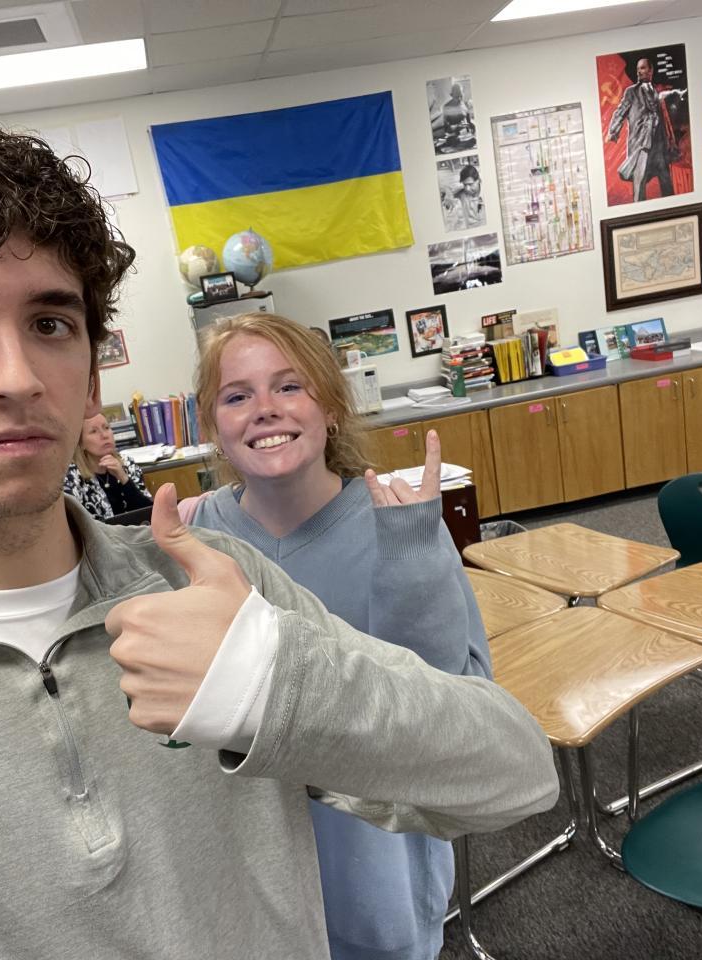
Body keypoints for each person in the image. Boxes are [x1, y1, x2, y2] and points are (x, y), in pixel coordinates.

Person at [0, 118, 559, 959]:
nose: (17, 378)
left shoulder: (215, 585)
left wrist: (275, 686)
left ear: (89, 378)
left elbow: (513, 775)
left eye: (50, 324)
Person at [183, 313, 488, 960]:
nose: (264, 409)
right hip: (250, 886)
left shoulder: (399, 526)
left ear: (331, 408)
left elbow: (459, 710)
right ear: (212, 426)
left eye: (289, 386)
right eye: (237, 396)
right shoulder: (196, 539)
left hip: (376, 878)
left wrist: (413, 562)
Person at [606, 57, 681, 202]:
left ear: (651, 71)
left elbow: (664, 116)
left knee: (666, 180)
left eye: (643, 68)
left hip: (659, 145)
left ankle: (672, 206)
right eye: (638, 69)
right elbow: (620, 111)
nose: (639, 72)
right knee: (639, 182)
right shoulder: (631, 92)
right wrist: (613, 131)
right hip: (641, 145)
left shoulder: (657, 92)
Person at [63, 411, 153, 519]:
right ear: (81, 443)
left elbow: (149, 513)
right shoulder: (72, 477)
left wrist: (124, 479)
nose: (104, 435)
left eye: (106, 428)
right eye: (94, 431)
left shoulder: (127, 464)